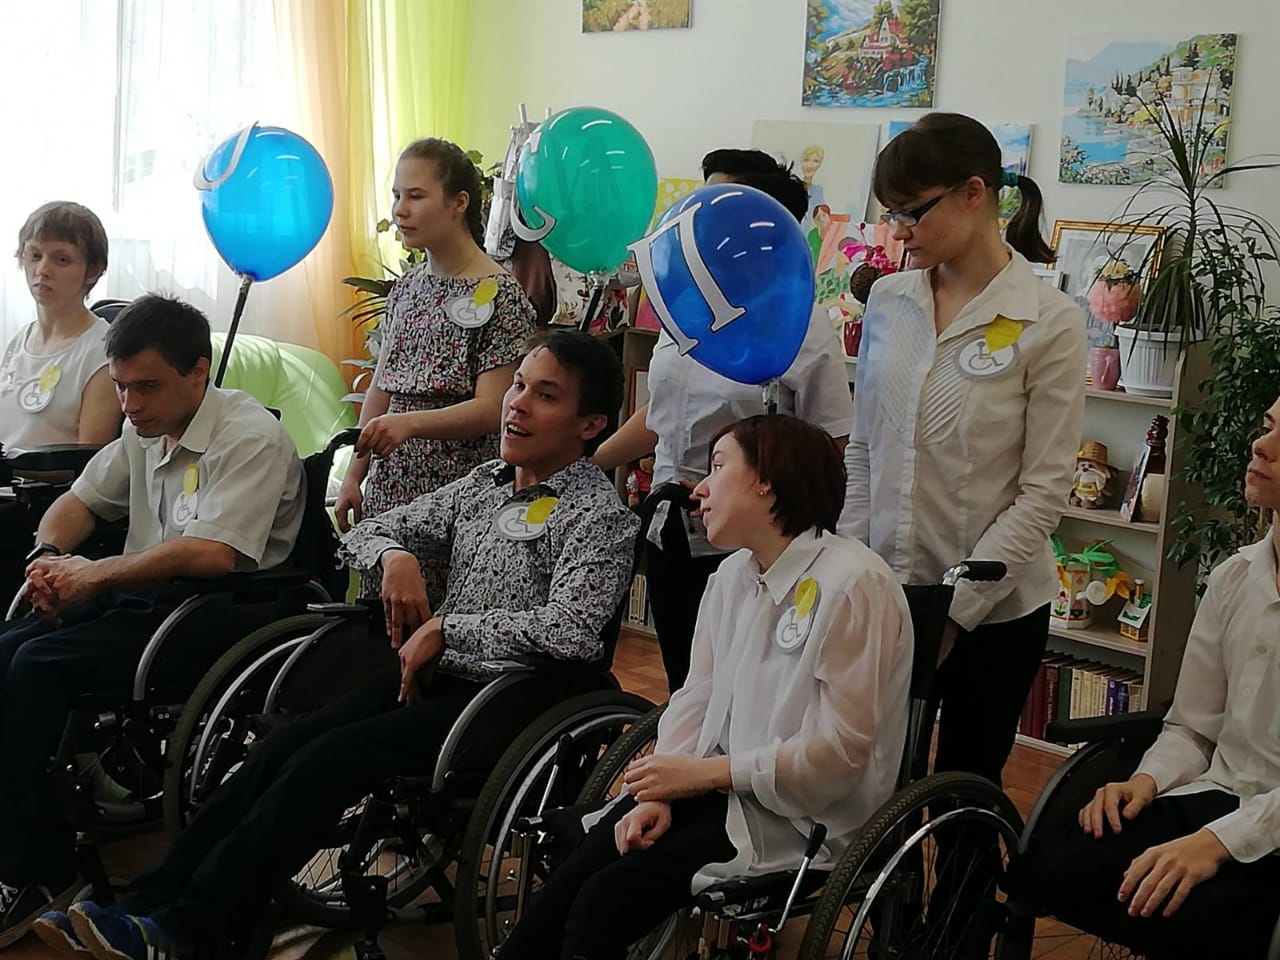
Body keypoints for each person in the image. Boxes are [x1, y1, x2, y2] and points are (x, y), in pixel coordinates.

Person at [39, 330, 639, 959]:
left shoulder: (598, 517)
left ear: (590, 424)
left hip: (516, 697)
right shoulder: (485, 485)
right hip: (434, 675)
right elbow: (363, 531)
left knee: (325, 762)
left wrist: (448, 627)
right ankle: (144, 906)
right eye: (517, 385)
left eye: (546, 396)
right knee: (280, 747)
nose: (517, 403)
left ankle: (188, 931)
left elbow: (573, 630)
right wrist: (397, 555)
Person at [501, 415, 912, 960]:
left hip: (803, 815)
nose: (699, 488)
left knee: (603, 901)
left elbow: (840, 754)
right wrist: (662, 790)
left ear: (766, 481)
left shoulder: (855, 584)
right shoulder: (732, 575)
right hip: (720, 787)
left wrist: (702, 775)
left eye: (718, 467)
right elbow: (696, 697)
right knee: (579, 870)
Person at [0, 294, 304, 947]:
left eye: (146, 387)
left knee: (34, 666)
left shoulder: (247, 436)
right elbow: (78, 502)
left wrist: (94, 575)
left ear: (198, 371)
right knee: (6, 647)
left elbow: (213, 554)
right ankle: (22, 830)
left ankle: (38, 869)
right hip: (144, 600)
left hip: (221, 611)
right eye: (121, 387)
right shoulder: (145, 429)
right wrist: (47, 559)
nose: (130, 404)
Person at [839, 112, 1085, 793]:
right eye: (890, 214)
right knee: (872, 784)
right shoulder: (889, 301)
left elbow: (1043, 492)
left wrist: (955, 611)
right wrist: (851, 566)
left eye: (911, 212)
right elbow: (864, 449)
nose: (897, 232)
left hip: (996, 611)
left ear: (974, 193)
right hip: (888, 591)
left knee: (962, 789)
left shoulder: (1048, 320)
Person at [1023, 395, 1280, 959]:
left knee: (1209, 921)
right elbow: (1193, 728)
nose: (1261, 446)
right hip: (1219, 793)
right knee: (1059, 862)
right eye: (1267, 427)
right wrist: (1146, 780)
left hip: (1268, 829)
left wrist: (1216, 843)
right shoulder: (1234, 579)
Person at [593, 148, 853, 693]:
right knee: (685, 687)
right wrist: (590, 462)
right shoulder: (685, 307)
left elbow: (830, 445)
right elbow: (664, 413)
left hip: (753, 545)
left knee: (744, 696)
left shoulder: (802, 325)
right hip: (671, 531)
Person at [335, 137, 537, 604]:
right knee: (382, 623)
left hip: (458, 493)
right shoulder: (408, 288)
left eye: (416, 196)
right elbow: (382, 388)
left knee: (444, 624)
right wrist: (354, 475)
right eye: (397, 196)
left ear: (458, 203)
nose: (400, 210)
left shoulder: (502, 295)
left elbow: (492, 408)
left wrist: (410, 424)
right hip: (390, 489)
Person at [0, 202, 123, 594]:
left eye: (61, 259)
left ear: (93, 271)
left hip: (47, 506)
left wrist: (12, 467)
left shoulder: (101, 350)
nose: (43, 270)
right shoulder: (17, 342)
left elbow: (88, 464)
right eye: (34, 255)